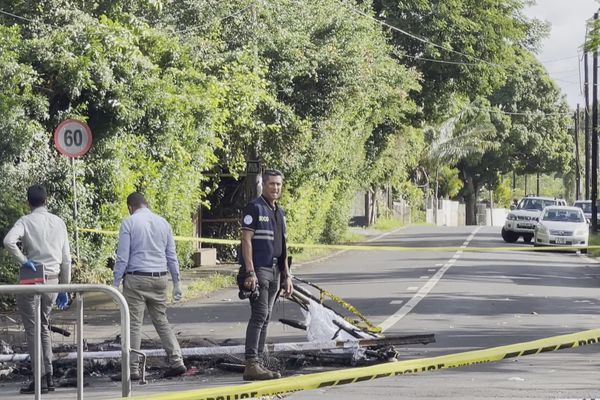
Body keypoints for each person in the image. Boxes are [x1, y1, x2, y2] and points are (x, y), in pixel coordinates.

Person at [3, 184, 71, 394]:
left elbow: (8, 241)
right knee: (43, 327)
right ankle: (49, 376)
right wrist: (65, 288)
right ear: (47, 200)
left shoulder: (25, 221)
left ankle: (39, 378)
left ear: (28, 202)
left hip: (32, 281)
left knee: (33, 330)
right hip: (52, 281)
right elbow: (67, 259)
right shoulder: (59, 222)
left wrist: (23, 260)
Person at [112, 192, 186, 380]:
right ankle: (177, 360)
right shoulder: (163, 223)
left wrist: (115, 282)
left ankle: (133, 369)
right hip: (160, 278)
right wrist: (176, 282)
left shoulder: (129, 223)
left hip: (136, 279)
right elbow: (171, 256)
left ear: (130, 207)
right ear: (146, 203)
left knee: (134, 324)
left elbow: (122, 257)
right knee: (161, 320)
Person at [240, 169, 294, 381]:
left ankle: (258, 363)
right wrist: (250, 271)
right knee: (260, 315)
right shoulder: (254, 207)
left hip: (275, 271)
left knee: (266, 317)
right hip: (259, 270)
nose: (276, 188)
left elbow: (283, 247)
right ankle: (251, 362)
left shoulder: (279, 212)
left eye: (279, 185)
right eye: (272, 184)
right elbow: (246, 240)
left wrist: (287, 275)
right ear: (264, 184)